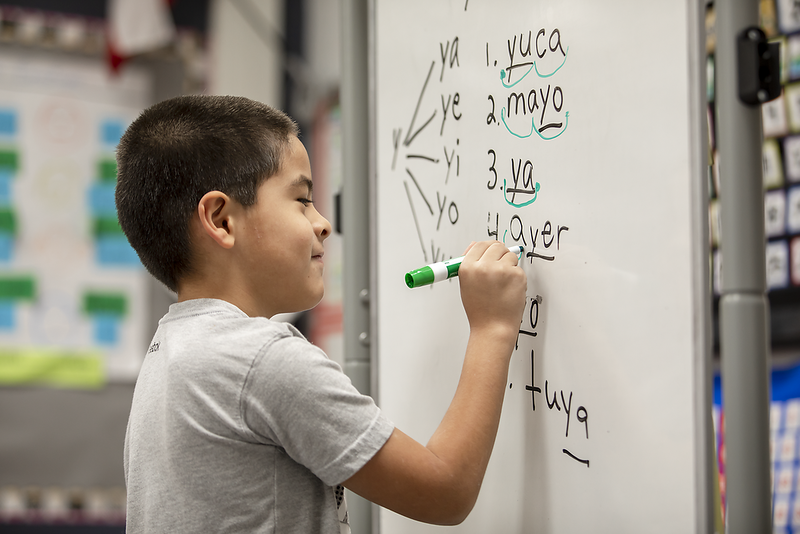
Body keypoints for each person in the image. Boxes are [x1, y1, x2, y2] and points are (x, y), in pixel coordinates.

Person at [117, 94, 527, 533]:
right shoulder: (262, 361)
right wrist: (493, 328)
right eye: (301, 200)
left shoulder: (172, 349)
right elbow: (445, 492)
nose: (324, 223)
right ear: (221, 219)